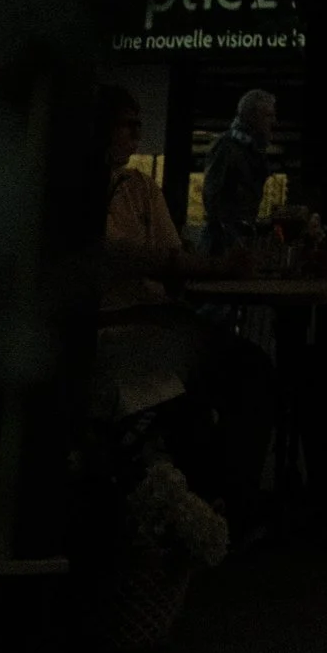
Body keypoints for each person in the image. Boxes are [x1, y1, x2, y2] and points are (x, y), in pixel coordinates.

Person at [94, 88, 273, 518]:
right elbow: (127, 256)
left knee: (250, 369)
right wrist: (215, 267)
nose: (137, 133)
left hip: (159, 323)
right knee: (236, 376)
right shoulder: (76, 189)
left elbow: (167, 259)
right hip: (118, 329)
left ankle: (225, 504)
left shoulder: (140, 188)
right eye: (128, 123)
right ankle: (219, 507)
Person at [199, 87, 280, 259]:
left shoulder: (251, 150)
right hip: (222, 245)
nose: (273, 121)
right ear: (251, 116)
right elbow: (211, 196)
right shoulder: (227, 147)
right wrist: (228, 231)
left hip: (236, 240)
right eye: (268, 115)